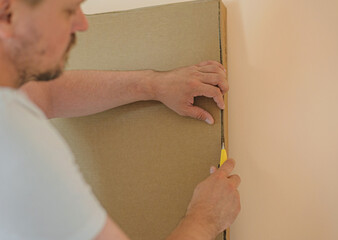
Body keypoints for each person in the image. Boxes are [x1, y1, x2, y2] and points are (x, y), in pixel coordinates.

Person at [0, 0, 241, 239]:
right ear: (8, 13)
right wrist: (205, 219)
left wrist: (153, 85)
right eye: (68, 10)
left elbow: (47, 95)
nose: (83, 24)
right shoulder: (17, 138)